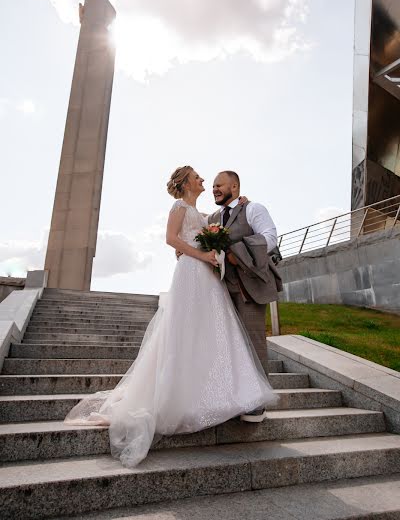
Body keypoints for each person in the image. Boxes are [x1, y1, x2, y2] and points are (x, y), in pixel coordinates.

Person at [64, 165, 278, 468]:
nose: (207, 183)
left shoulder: (219, 213)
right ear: (186, 182)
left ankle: (238, 398)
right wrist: (201, 255)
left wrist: (228, 234)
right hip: (194, 274)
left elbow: (234, 233)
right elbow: (172, 239)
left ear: (234, 187)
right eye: (203, 179)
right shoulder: (182, 207)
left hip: (215, 280)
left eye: (218, 183)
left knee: (214, 334)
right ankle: (184, 395)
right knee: (186, 332)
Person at [209, 171, 282, 422]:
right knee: (227, 343)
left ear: (234, 186)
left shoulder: (254, 209)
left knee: (253, 342)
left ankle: (257, 402)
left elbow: (270, 239)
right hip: (220, 288)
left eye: (219, 185)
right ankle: (233, 397)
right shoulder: (213, 218)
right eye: (212, 186)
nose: (214, 189)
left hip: (248, 287)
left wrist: (236, 253)